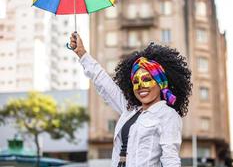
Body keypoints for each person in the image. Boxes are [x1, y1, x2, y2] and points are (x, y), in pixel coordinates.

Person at [69, 33, 192, 167]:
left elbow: (170, 159)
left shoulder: (168, 115)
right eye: (136, 81)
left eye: (146, 79)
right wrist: (82, 53)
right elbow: (104, 83)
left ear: (160, 83)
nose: (140, 86)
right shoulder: (130, 110)